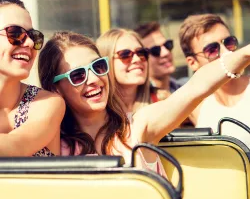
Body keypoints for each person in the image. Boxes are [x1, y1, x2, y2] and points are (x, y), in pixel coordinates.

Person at [38, 30, 250, 174]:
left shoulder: (136, 127)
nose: (94, 79)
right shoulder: (52, 145)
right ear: (56, 88)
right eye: (77, 75)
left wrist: (244, 54)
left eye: (98, 67)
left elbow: (196, 87)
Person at [0, 0, 65, 156]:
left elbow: (17, 146)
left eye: (33, 36)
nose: (29, 43)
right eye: (15, 33)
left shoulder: (47, 103)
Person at [179, 13, 250, 147]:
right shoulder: (195, 107)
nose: (225, 53)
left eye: (228, 43)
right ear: (192, 62)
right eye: (212, 50)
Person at [96, 28, 150, 117]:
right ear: (106, 63)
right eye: (125, 54)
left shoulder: (162, 101)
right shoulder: (96, 114)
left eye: (141, 52)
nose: (137, 59)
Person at [134, 21, 181, 102]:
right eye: (155, 50)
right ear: (141, 58)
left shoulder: (183, 88)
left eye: (167, 45)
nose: (165, 52)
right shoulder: (138, 102)